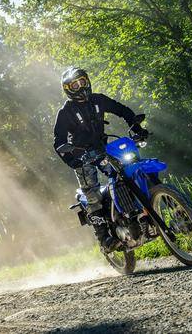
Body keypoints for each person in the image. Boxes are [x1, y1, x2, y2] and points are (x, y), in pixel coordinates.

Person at [53, 67, 148, 251]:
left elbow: (122, 110)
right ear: (68, 89)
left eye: (82, 81)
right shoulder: (65, 112)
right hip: (82, 156)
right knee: (92, 194)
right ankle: (104, 238)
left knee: (126, 173)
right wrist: (72, 160)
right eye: (75, 85)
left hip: (104, 149)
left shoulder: (98, 99)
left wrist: (136, 126)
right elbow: (58, 141)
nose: (81, 86)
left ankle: (135, 214)